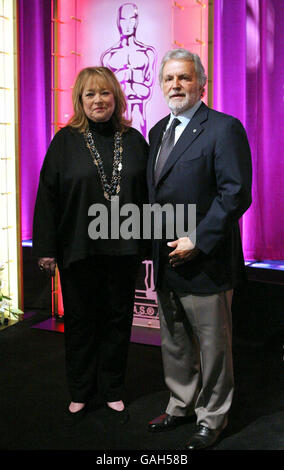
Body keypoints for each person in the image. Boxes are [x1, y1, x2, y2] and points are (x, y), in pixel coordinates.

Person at [146, 49, 252, 449]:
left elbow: (236, 193)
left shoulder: (224, 128)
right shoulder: (157, 131)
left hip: (207, 259)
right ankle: (181, 404)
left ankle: (213, 417)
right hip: (166, 258)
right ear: (161, 85)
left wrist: (198, 239)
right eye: (169, 78)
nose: (176, 85)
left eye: (184, 78)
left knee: (212, 345)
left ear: (201, 84)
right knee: (174, 339)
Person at [33, 66, 149, 422]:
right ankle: (82, 391)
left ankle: (113, 389)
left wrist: (153, 243)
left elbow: (148, 195)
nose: (98, 100)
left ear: (116, 97)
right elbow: (47, 197)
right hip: (78, 250)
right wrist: (46, 248)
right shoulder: (64, 140)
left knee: (117, 321)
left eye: (105, 93)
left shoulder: (134, 140)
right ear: (80, 101)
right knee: (82, 323)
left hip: (123, 250)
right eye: (90, 95)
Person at [101, 2, 157, 137]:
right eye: (123, 19)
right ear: (118, 22)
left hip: (139, 112)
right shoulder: (109, 56)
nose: (127, 24)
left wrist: (128, 86)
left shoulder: (147, 53)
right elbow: (103, 90)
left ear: (136, 21)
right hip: (116, 115)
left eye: (131, 19)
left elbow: (147, 89)